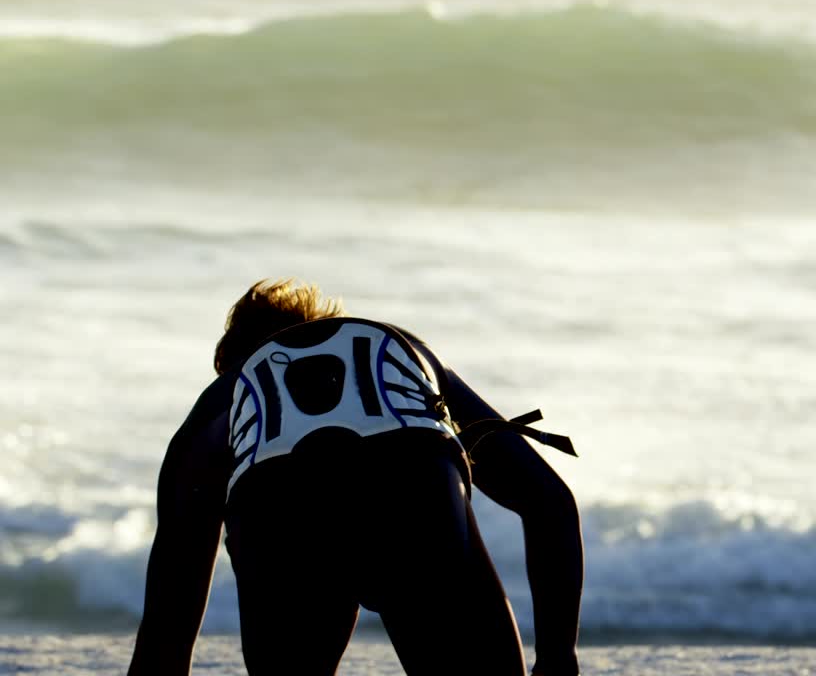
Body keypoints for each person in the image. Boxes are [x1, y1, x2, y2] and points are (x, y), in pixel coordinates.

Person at [127, 279, 583, 675]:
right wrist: (557, 658)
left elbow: (169, 624)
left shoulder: (224, 400)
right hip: (414, 493)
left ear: (233, 361)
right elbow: (550, 502)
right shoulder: (398, 351)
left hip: (280, 511)